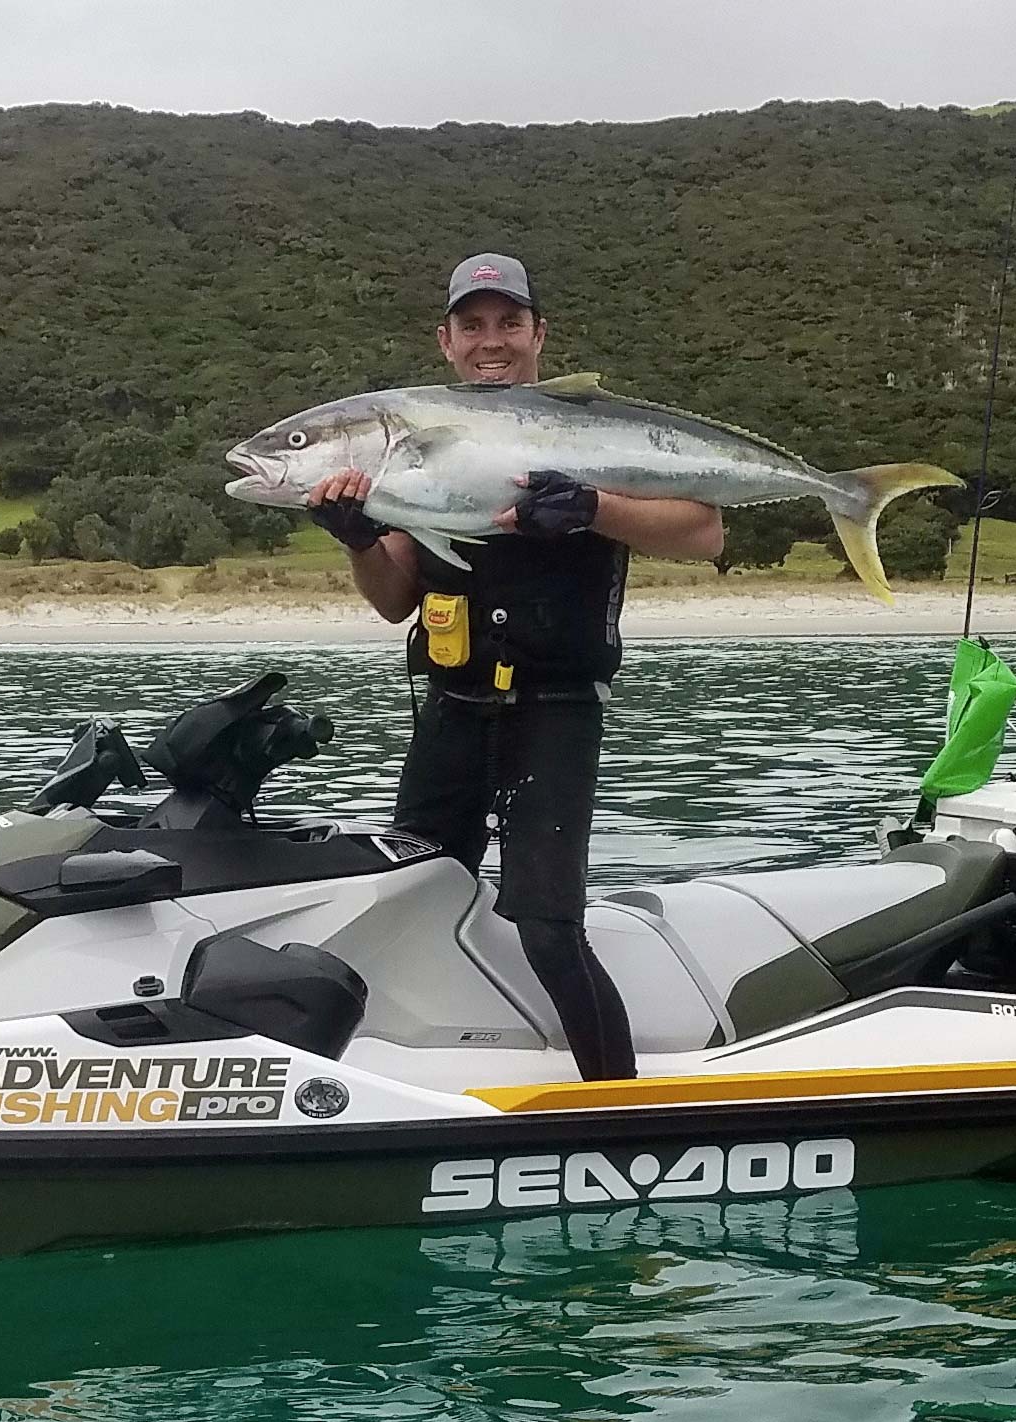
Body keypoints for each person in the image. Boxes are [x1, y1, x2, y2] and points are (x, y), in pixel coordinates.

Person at [302, 253, 724, 1082]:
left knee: (546, 925)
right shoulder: (414, 456)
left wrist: (595, 507)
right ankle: (417, 1078)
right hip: (453, 708)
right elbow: (394, 598)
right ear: (447, 341)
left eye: (507, 323)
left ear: (538, 334)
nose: (490, 341)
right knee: (410, 897)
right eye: (472, 325)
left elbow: (704, 534)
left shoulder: (586, 435)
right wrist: (357, 537)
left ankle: (618, 1104)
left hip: (556, 708)